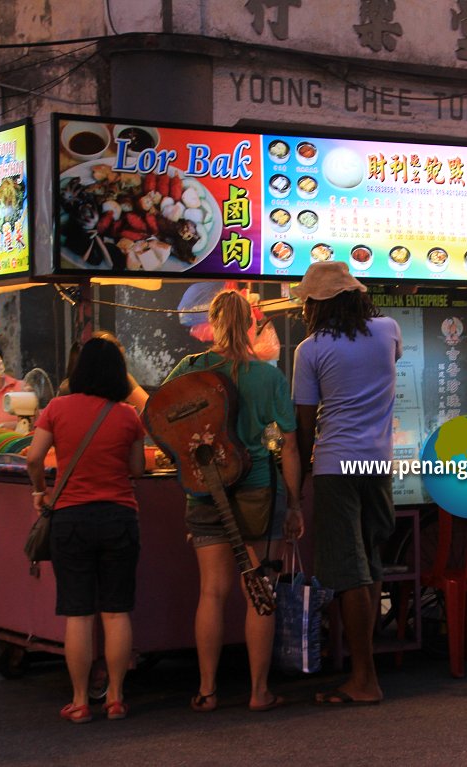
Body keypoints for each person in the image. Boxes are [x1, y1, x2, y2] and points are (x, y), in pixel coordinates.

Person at [162, 289, 303, 714]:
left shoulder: (189, 370)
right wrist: (295, 503)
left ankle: (207, 690)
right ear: (251, 324)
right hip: (259, 488)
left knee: (213, 592)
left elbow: (160, 418)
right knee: (259, 588)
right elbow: (291, 446)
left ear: (213, 323)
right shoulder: (268, 377)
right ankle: (259, 692)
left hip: (206, 491)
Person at [292, 262, 401, 706]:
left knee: (350, 572)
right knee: (371, 564)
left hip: (336, 466)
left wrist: (297, 484)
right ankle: (365, 669)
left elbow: (303, 425)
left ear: (318, 305)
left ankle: (364, 679)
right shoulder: (388, 330)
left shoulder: (311, 349)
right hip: (378, 465)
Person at [25, 337, 147, 722]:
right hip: (118, 518)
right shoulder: (128, 415)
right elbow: (138, 470)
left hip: (71, 519)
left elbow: (32, 457)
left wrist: (39, 492)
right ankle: (115, 697)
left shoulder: (58, 408)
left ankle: (79, 701)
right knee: (116, 612)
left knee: (77, 614)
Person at [58, 330, 149, 416]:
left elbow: (151, 408)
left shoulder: (62, 396)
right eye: (118, 363)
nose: (121, 369)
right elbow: (152, 410)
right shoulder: (67, 389)